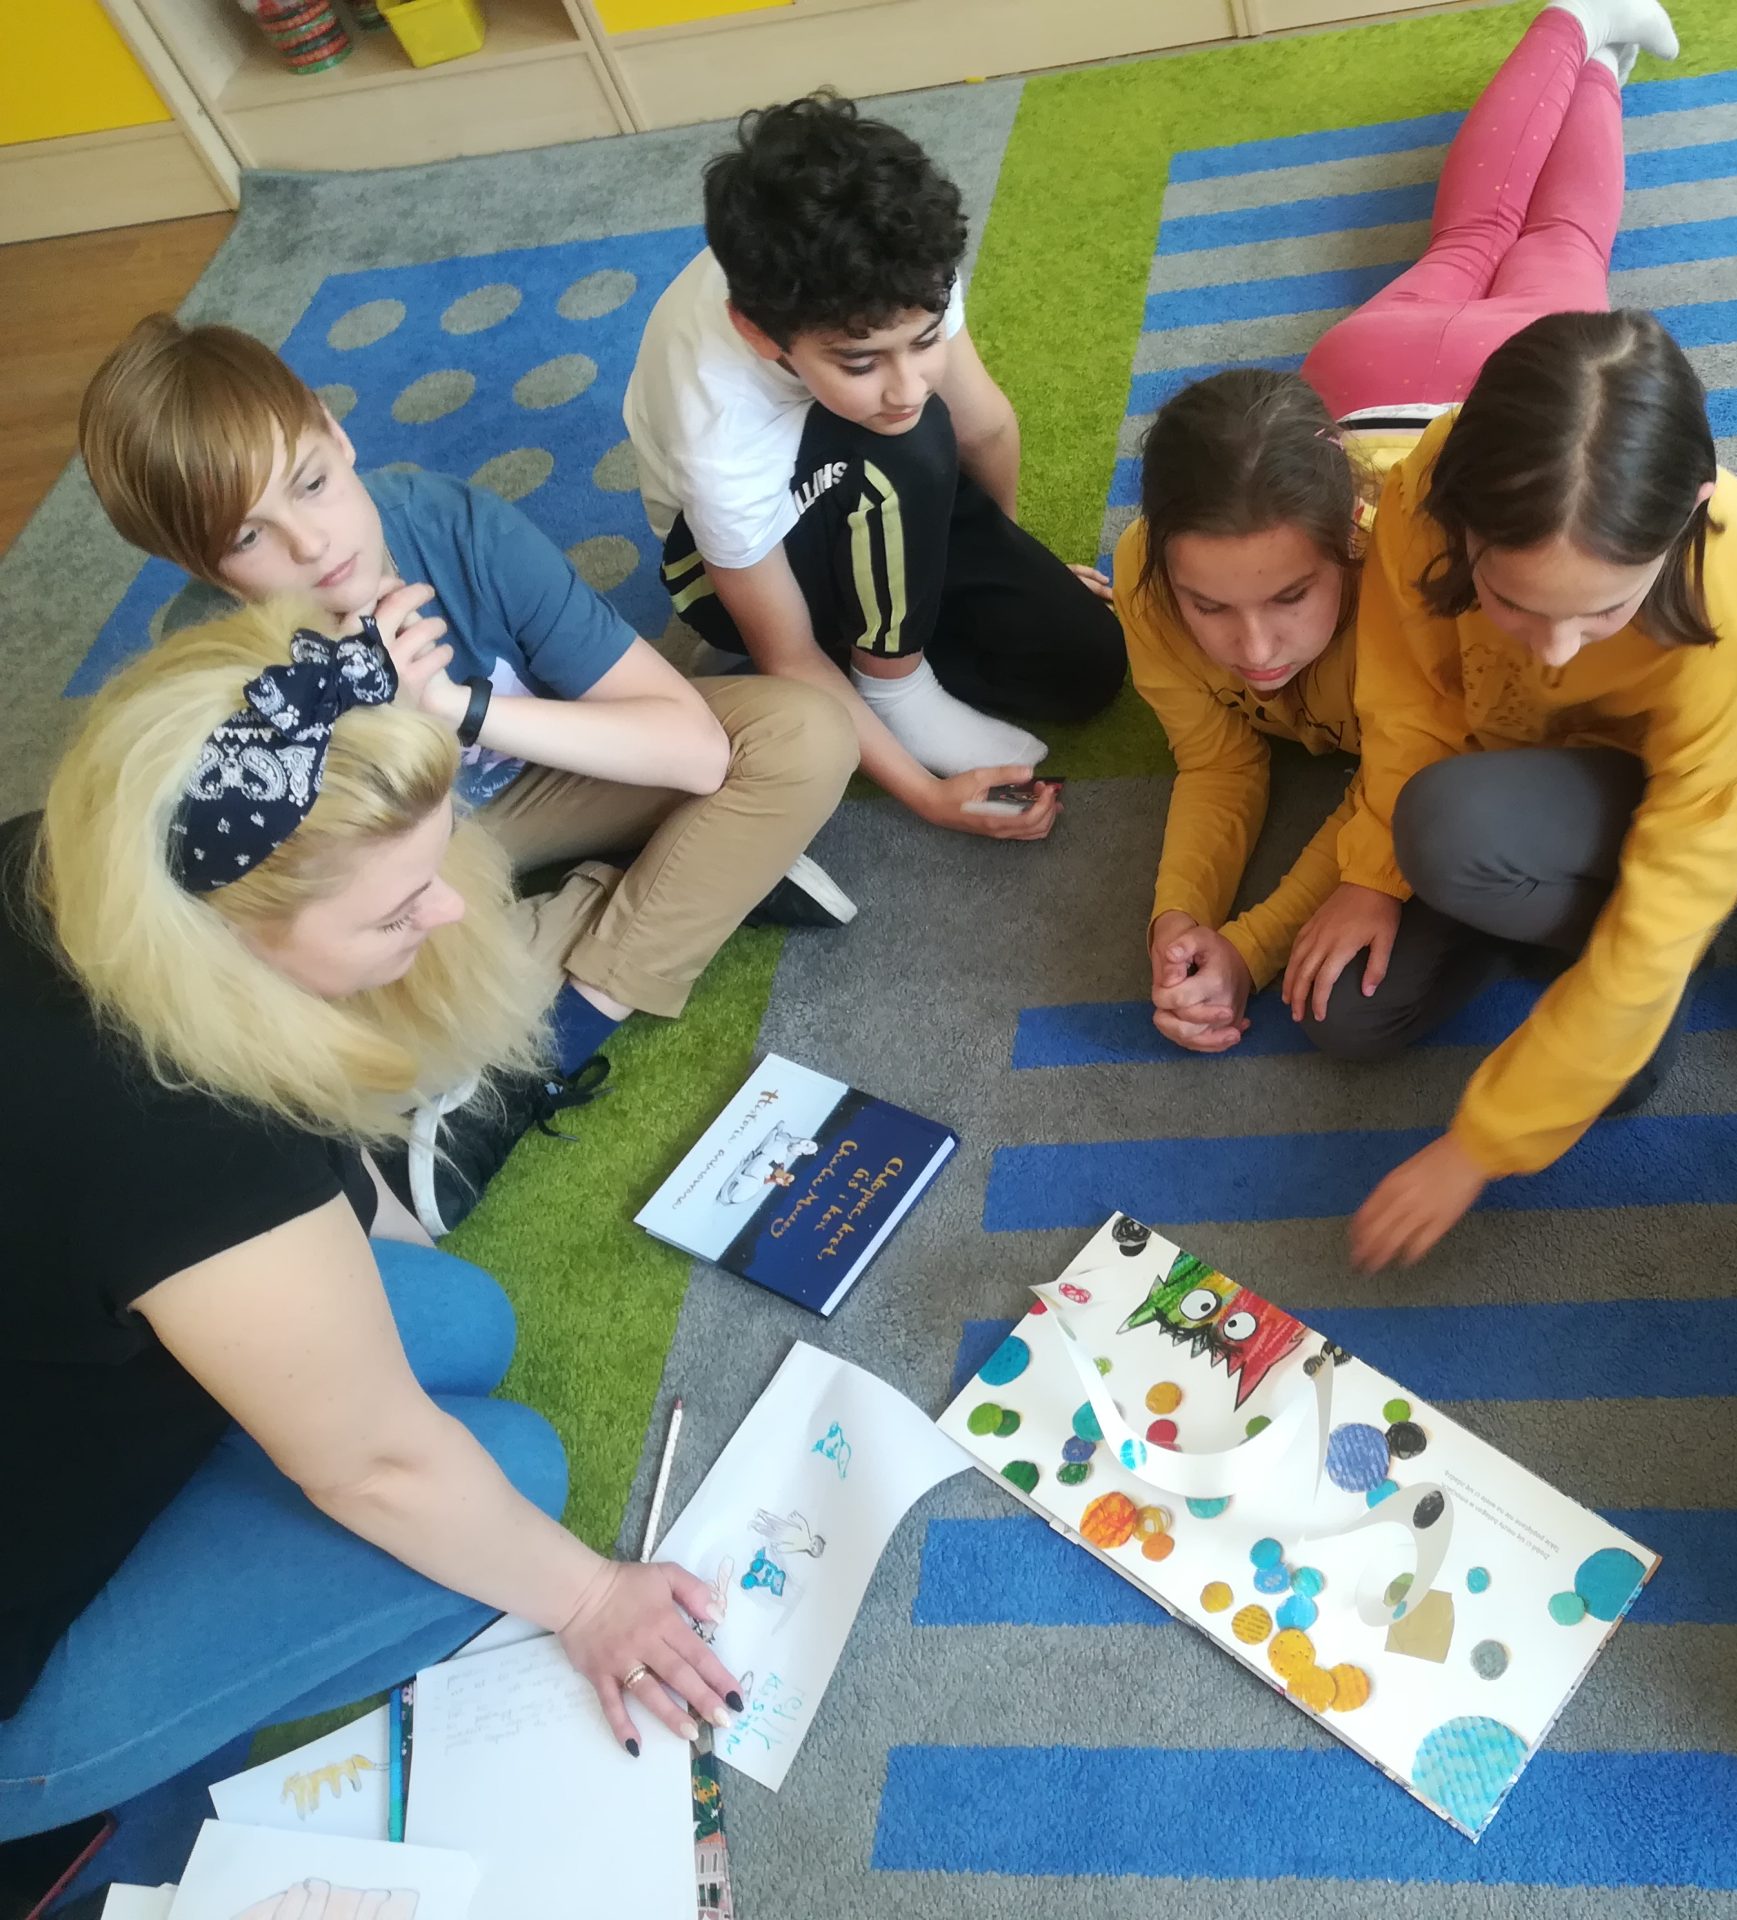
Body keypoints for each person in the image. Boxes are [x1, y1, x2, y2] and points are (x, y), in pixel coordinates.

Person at [0, 606, 741, 1846]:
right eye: (397, 911)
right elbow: (377, 1468)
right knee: (507, 1473)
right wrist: (591, 1598)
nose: (446, 915)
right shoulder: (184, 1131)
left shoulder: (64, 861)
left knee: (453, 1320)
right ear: (233, 939)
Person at [80, 316, 865, 1228]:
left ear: (336, 434)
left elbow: (694, 748)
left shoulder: (453, 526)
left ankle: (557, 1037)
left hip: (541, 787)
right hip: (407, 869)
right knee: (277, 1051)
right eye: (249, 537)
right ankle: (676, 885)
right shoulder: (217, 665)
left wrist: (455, 708)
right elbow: (289, 922)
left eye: (312, 482)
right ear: (194, 564)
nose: (313, 545)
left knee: (806, 738)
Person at [1119, 0, 1683, 1054]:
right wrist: (1179, 917)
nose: (1253, 649)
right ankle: (1586, 45)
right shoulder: (1145, 571)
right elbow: (1216, 763)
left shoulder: (1417, 580)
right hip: (1364, 367)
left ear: (1353, 538)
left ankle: (1584, 35)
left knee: (1557, 240)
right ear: (1162, 567)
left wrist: (1251, 941)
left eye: (1291, 596)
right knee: (1473, 236)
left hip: (1500, 368)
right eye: (1208, 606)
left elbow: (1394, 778)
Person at [1288, 304, 1737, 1272]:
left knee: (1603, 1058)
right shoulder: (1424, 495)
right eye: (1512, 601)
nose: (1553, 649)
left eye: (1604, 612)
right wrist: (1369, 872)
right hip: (1517, 772)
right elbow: (1410, 701)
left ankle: (1579, 932)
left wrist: (1481, 1144)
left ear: (1692, 510)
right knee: (1347, 1016)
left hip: (1720, 802)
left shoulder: (1731, 571)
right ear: (1459, 515)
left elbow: (1682, 869)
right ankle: (1555, 920)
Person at [625, 92, 1126, 845]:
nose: (906, 383)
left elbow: (985, 424)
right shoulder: (718, 423)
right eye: (860, 362)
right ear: (759, 334)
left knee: (1085, 668)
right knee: (907, 436)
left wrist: (1009, 558)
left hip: (885, 499)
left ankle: (880, 636)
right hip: (737, 570)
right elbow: (787, 653)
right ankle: (892, 684)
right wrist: (927, 795)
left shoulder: (902, 268)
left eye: (924, 341)